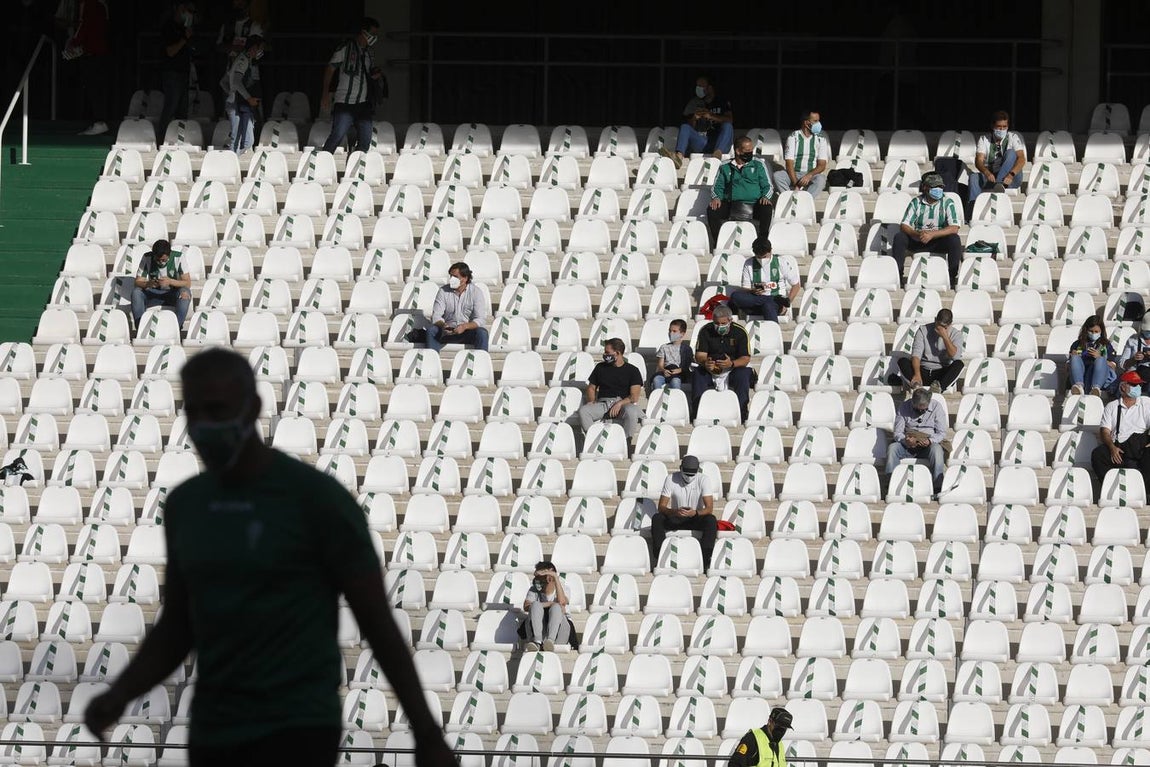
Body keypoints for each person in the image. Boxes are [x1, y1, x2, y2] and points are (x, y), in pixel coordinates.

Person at [83, 348, 457, 767]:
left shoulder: (316, 500)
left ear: (253, 408)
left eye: (217, 410)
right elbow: (177, 626)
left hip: (297, 727)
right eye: (194, 411)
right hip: (215, 728)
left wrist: (426, 733)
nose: (204, 424)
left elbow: (376, 621)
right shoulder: (186, 506)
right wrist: (120, 694)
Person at [320, 17, 383, 154]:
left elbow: (368, 74)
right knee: (337, 135)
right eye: (373, 33)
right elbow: (330, 69)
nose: (374, 37)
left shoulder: (370, 53)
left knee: (365, 140)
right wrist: (325, 93)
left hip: (363, 103)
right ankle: (322, 162)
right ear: (364, 32)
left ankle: (354, 164)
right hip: (345, 103)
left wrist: (375, 76)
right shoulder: (345, 48)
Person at [891, 172, 963, 288]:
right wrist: (916, 234)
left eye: (940, 187)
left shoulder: (947, 202)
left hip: (938, 241)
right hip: (918, 239)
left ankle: (951, 277)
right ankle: (898, 275)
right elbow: (904, 225)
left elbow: (954, 228)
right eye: (935, 187)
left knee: (954, 239)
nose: (938, 189)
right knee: (900, 237)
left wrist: (932, 234)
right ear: (925, 187)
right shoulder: (916, 202)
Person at [1091, 370, 1150, 502]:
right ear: (1123, 387)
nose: (1138, 387)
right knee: (1098, 454)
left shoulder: (1146, 403)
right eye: (1134, 384)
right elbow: (1105, 431)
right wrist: (1112, 447)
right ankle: (1112, 489)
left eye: (1139, 385)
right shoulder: (1112, 406)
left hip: (1139, 447)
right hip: (1119, 448)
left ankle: (1144, 492)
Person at [650, 455, 717, 571]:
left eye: (692, 474)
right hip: (677, 517)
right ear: (680, 468)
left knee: (711, 520)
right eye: (686, 474)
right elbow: (661, 507)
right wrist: (675, 512)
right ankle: (659, 556)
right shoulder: (671, 479)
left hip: (695, 517)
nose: (689, 477)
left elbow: (709, 508)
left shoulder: (704, 479)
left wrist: (695, 513)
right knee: (657, 518)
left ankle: (705, 559)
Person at [573, 339, 644, 448]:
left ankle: (626, 443)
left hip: (623, 404)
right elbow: (591, 387)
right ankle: (595, 441)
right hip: (603, 403)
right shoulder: (600, 367)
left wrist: (619, 403)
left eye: (607, 352)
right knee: (584, 411)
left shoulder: (633, 370)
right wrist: (591, 401)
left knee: (632, 411)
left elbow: (634, 397)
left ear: (617, 353)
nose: (605, 355)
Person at [707, 135, 774, 250]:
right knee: (712, 210)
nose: (750, 153)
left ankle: (762, 242)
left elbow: (768, 186)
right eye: (747, 151)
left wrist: (766, 197)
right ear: (738, 151)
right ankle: (718, 243)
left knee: (767, 208)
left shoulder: (758, 164)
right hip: (731, 204)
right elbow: (717, 187)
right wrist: (716, 197)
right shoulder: (725, 166)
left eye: (751, 150)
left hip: (754, 204)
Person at [692, 304, 753, 422]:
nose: (720, 326)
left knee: (743, 374)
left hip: (733, 368)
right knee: (698, 373)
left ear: (730, 320)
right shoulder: (705, 330)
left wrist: (732, 364)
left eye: (723, 323)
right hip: (711, 368)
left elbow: (745, 358)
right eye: (717, 323)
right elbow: (700, 355)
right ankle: (696, 412)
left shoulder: (740, 332)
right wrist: (706, 363)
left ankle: (742, 413)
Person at [659, 73, 734, 168]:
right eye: (697, 86)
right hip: (703, 141)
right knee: (685, 126)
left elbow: (730, 119)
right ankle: (678, 157)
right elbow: (688, 127)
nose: (698, 89)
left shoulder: (721, 101)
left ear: (710, 88)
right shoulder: (694, 103)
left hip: (720, 143)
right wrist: (694, 118)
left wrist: (711, 116)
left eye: (701, 86)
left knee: (728, 126)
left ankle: (717, 155)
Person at [887, 388, 948, 495]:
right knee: (893, 448)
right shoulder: (904, 407)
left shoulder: (936, 407)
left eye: (924, 409)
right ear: (912, 403)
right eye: (918, 409)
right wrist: (905, 440)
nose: (921, 412)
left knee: (937, 450)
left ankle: (938, 487)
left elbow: (941, 433)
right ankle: (891, 485)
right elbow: (897, 433)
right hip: (908, 444)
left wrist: (930, 441)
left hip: (928, 445)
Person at [727, 237, 801, 322]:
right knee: (735, 296)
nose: (762, 260)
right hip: (757, 301)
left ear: (771, 251)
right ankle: (771, 299)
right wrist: (753, 291)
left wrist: (787, 303)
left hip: (775, 304)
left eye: (764, 257)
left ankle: (773, 328)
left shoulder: (780, 262)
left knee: (768, 305)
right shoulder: (749, 263)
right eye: (759, 257)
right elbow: (745, 287)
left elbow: (796, 285)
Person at [64, 0, 111, 137]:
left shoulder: (92, 5)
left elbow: (85, 28)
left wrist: (73, 43)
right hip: (97, 52)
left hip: (93, 53)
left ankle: (100, 122)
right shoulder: (99, 5)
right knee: (96, 89)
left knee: (94, 89)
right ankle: (99, 121)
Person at [899, 309, 964, 394]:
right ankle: (917, 384)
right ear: (935, 320)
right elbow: (916, 354)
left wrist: (945, 337)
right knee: (903, 361)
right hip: (923, 369)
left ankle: (939, 387)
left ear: (950, 324)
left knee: (959, 364)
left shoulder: (956, 334)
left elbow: (955, 356)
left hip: (941, 371)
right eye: (939, 325)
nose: (940, 328)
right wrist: (917, 374)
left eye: (944, 327)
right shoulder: (923, 330)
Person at [131, 239, 192, 329]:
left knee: (185, 294)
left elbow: (187, 283)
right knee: (136, 293)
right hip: (153, 293)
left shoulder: (178, 257)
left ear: (169, 254)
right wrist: (148, 284)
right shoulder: (147, 257)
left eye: (163, 260)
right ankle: (140, 328)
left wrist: (170, 281)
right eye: (157, 260)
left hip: (173, 293)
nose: (160, 262)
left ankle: (176, 328)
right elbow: (138, 282)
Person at [428, 262, 488, 352]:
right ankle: (431, 359)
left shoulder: (476, 292)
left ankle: (481, 360)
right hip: (446, 332)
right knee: (431, 331)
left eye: (455, 277)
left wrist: (464, 326)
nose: (452, 279)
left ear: (465, 278)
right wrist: (443, 325)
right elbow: (436, 316)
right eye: (451, 276)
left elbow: (480, 319)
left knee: (482, 333)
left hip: (467, 332)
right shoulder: (443, 291)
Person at [969, 110, 1027, 202]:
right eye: (999, 127)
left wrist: (1011, 174)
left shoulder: (1013, 137)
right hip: (992, 176)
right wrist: (986, 173)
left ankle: (999, 184)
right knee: (974, 177)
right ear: (992, 126)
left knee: (1011, 153)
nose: (1002, 129)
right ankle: (973, 206)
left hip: (1011, 177)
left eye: (1004, 127)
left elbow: (1022, 159)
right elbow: (978, 161)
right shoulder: (984, 139)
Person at [158, 2, 198, 137]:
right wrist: (184, 38)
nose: (187, 12)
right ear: (176, 8)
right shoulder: (169, 27)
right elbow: (170, 51)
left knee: (182, 111)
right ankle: (162, 139)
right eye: (184, 9)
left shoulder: (184, 28)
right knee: (171, 107)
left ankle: (180, 140)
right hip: (172, 74)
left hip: (184, 73)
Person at [220, 34, 264, 154]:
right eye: (260, 48)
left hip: (235, 102)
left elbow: (223, 82)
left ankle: (233, 159)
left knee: (243, 140)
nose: (261, 52)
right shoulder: (243, 61)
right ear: (254, 48)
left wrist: (231, 92)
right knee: (239, 140)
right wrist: (247, 98)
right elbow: (236, 82)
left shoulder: (241, 59)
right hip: (235, 103)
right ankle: (231, 160)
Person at [773, 110, 830, 197]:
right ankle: (789, 198)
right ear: (806, 123)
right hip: (794, 173)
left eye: (818, 121)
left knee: (821, 179)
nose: (819, 124)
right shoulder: (793, 137)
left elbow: (822, 165)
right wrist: (796, 184)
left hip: (811, 175)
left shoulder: (821, 139)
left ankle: (806, 200)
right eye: (815, 121)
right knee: (778, 176)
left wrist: (809, 175)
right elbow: (789, 164)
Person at [522, 561, 571, 652]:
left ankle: (550, 641)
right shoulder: (533, 590)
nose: (537, 579)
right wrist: (549, 603)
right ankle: (537, 641)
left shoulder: (563, 588)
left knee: (556, 607)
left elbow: (562, 603)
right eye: (537, 576)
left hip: (559, 631)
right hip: (541, 630)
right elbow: (526, 606)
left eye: (542, 575)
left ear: (550, 577)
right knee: (535, 605)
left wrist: (555, 577)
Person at [1068, 314, 1117, 397]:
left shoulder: (1106, 345)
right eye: (1091, 331)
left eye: (1096, 332)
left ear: (1101, 331)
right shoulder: (1077, 344)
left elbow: (1113, 366)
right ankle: (1079, 387)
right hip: (1082, 374)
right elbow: (1067, 367)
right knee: (1075, 358)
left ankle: (1096, 388)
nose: (1093, 334)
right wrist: (1073, 357)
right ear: (1086, 330)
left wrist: (1099, 357)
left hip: (1099, 375)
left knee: (1100, 360)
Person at [728, 706, 793, 767]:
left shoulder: (779, 744)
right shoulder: (752, 738)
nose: (782, 730)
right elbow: (734, 764)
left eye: (785, 728)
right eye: (779, 726)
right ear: (769, 721)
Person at [652, 319, 693, 390]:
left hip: (679, 374)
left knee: (675, 381)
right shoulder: (664, 347)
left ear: (682, 334)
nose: (671, 333)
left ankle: (675, 397)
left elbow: (688, 365)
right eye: (670, 331)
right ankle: (657, 396)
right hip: (665, 373)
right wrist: (664, 370)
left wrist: (680, 370)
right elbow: (660, 365)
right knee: (656, 380)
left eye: (674, 331)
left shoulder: (687, 349)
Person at [1116, 316, 1150, 386]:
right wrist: (1134, 359)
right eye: (1147, 330)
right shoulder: (1133, 340)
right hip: (1135, 376)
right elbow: (1122, 364)